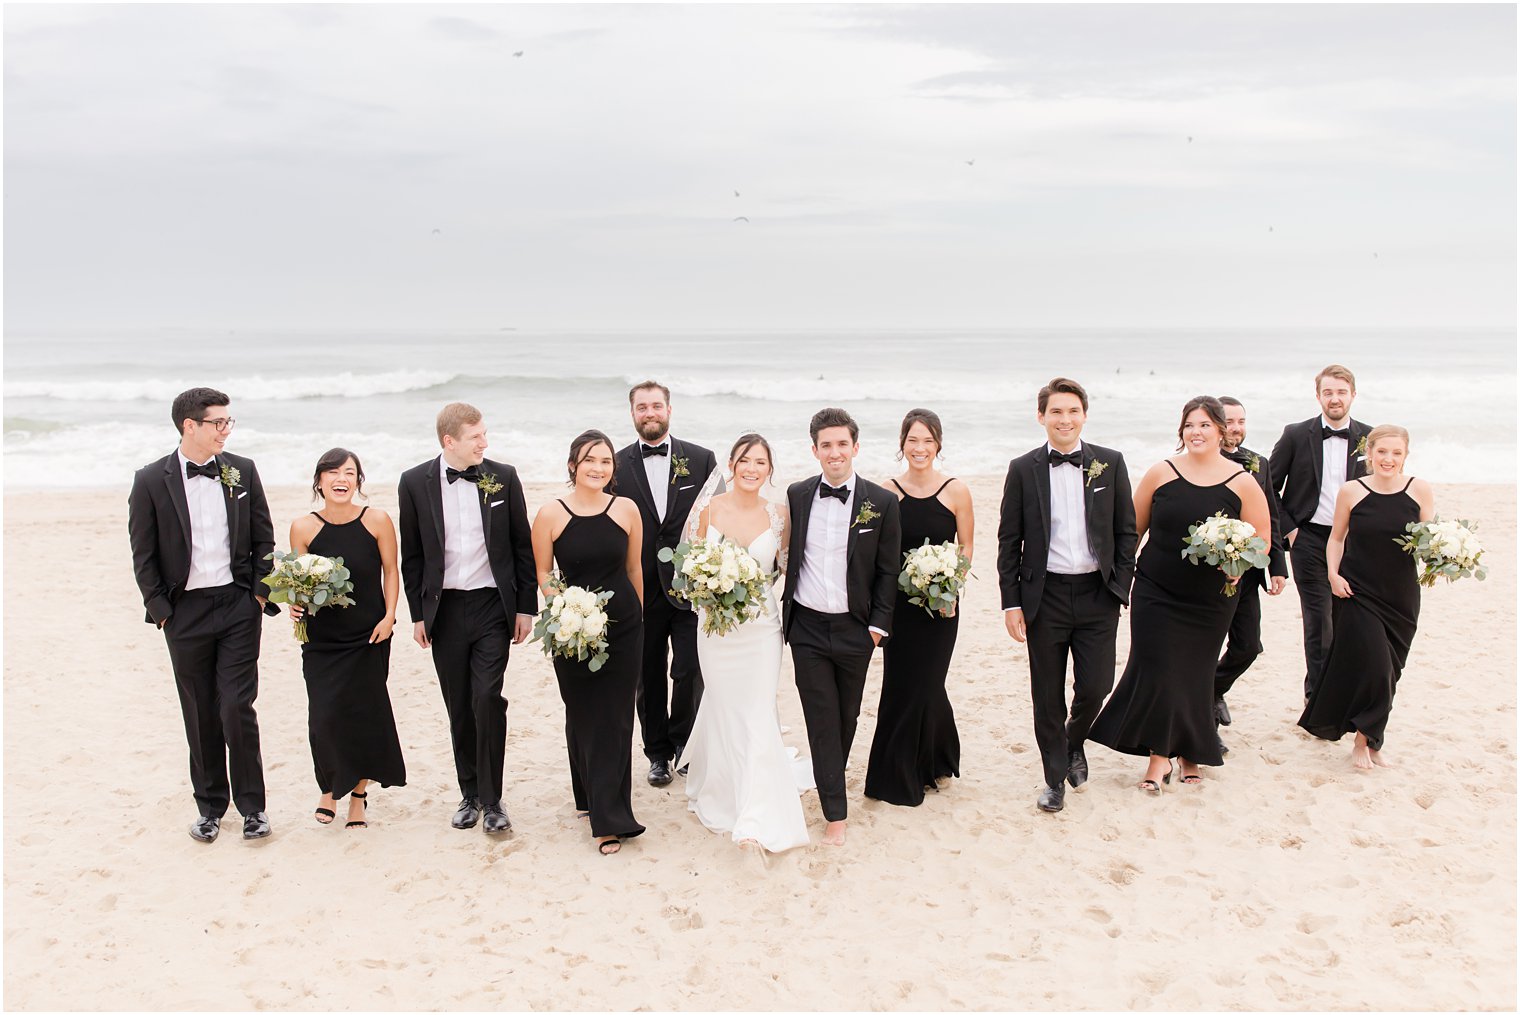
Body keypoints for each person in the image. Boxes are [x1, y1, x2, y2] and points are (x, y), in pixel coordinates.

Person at [1089, 396, 1271, 792]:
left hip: (1210, 600)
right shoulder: (1161, 473)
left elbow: (1262, 541)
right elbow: (1131, 533)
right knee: (1158, 667)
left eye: (1205, 425)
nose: (1196, 432)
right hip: (1156, 591)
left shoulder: (1242, 481)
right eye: (1190, 425)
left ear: (1221, 430)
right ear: (1181, 431)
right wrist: (1118, 583)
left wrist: (1237, 567)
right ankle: (1159, 758)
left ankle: (1189, 753)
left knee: (1195, 673)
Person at [127, 387, 278, 842]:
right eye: (219, 423)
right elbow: (143, 553)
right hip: (184, 612)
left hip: (237, 606)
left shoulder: (242, 471)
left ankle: (254, 809)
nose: (226, 431)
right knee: (199, 712)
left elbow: (263, 539)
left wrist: (257, 595)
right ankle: (210, 807)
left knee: (236, 706)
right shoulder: (151, 480)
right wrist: (162, 611)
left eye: (229, 422)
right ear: (189, 426)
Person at [997, 379, 1137, 813]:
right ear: (1041, 416)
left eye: (1072, 411)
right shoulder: (1023, 469)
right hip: (1046, 595)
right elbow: (1009, 540)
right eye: (1056, 411)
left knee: (1097, 686)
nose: (1065, 419)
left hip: (1098, 594)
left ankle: (1075, 742)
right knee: (1046, 693)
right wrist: (1011, 601)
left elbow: (1126, 530)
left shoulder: (1110, 464)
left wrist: (1120, 585)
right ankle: (1054, 778)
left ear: (1084, 415)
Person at [398, 403, 536, 836]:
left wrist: (525, 607)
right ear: (449, 441)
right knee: (459, 703)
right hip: (445, 610)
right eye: (476, 436)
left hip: (493, 607)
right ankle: (469, 793)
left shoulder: (504, 477)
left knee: (487, 699)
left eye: (485, 434)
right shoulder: (413, 483)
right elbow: (413, 555)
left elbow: (521, 545)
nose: (485, 443)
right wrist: (419, 614)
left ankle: (493, 800)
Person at [681, 434, 814, 852]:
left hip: (760, 630)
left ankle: (756, 808)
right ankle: (723, 785)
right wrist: (711, 591)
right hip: (715, 631)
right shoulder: (709, 509)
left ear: (769, 469)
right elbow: (688, 570)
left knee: (756, 709)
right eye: (744, 460)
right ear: (731, 464)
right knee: (723, 704)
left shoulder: (779, 515)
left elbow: (789, 571)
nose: (751, 468)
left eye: (760, 462)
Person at [781, 407, 902, 846]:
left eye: (842, 444)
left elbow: (889, 570)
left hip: (856, 629)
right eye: (825, 445)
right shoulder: (796, 495)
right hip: (807, 627)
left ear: (855, 447)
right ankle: (836, 813)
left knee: (846, 716)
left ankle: (828, 775)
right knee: (820, 718)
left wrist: (877, 627)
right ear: (814, 450)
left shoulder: (882, 502)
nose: (834, 452)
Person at [531, 430, 647, 855]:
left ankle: (609, 818)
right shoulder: (550, 514)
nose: (598, 468)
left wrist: (638, 618)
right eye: (589, 460)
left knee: (616, 718)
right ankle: (588, 796)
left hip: (623, 629)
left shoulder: (628, 510)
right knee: (582, 713)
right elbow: (544, 573)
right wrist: (565, 611)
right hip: (572, 631)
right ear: (572, 466)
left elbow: (634, 569)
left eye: (605, 461)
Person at [1299, 426, 1431, 769]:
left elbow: (1430, 542)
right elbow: (1337, 538)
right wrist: (1332, 574)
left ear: (1405, 456)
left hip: (1401, 595)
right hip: (1358, 591)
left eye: (1396, 453)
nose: (1388, 459)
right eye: (1382, 452)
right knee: (1375, 667)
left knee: (1391, 672)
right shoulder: (1351, 491)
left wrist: (1447, 557)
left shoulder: (1420, 490)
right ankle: (1361, 740)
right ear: (1369, 454)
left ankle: (1373, 742)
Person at [288, 449, 406, 830]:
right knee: (323, 716)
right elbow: (297, 582)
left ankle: (357, 796)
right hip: (322, 639)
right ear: (319, 480)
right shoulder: (303, 527)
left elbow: (391, 570)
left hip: (368, 634)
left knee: (364, 714)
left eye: (350, 472)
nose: (342, 478)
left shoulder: (377, 520)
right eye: (333, 472)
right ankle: (329, 787)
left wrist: (389, 617)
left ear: (359, 480)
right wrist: (293, 605)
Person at [864, 409, 974, 807]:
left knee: (929, 683)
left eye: (927, 440)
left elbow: (966, 548)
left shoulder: (956, 490)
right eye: (913, 440)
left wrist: (950, 583)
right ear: (902, 444)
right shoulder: (886, 491)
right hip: (899, 607)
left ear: (938, 444)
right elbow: (876, 553)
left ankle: (931, 760)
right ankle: (907, 770)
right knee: (899, 683)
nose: (920, 448)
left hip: (941, 609)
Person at [612, 381, 717, 787]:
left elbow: (714, 519)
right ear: (633, 413)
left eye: (656, 405)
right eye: (642, 407)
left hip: (691, 588)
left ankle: (685, 745)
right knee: (647, 674)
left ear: (669, 410)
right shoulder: (615, 465)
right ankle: (656, 752)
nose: (650, 413)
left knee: (690, 669)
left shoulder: (701, 459)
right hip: (638, 589)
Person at [1270, 365, 1373, 699]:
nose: (1335, 399)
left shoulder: (1369, 439)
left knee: (1346, 623)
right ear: (1318, 396)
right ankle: (1319, 699)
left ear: (1353, 395)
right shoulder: (1296, 435)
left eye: (1341, 392)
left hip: (1354, 544)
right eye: (1328, 392)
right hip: (1309, 539)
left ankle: (1336, 691)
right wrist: (1291, 531)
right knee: (1319, 624)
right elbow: (1267, 488)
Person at [1212, 396, 1289, 751]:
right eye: (1229, 421)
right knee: (1206, 647)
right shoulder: (1200, 461)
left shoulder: (1259, 462)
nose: (1236, 428)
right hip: (1209, 574)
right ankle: (1204, 724)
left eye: (1241, 420)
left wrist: (1277, 566)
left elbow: (1271, 514)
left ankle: (1213, 690)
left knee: (1247, 646)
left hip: (1249, 572)